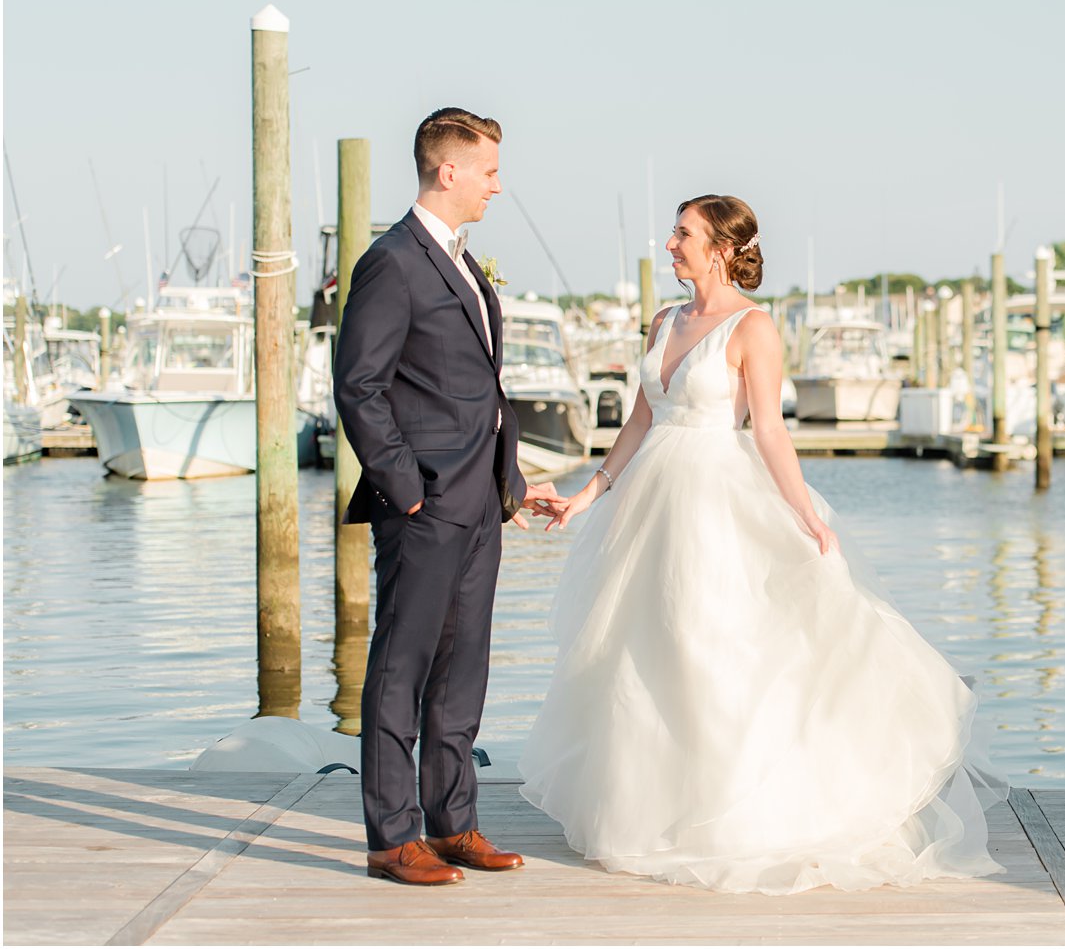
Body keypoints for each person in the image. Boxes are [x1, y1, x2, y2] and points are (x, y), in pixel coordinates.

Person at [517, 194, 1007, 895]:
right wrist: (586, 494)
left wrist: (805, 514)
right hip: (648, 503)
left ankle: (729, 815)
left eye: (681, 234)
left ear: (718, 247)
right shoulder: (663, 321)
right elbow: (639, 422)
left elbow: (770, 431)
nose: (669, 244)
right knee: (639, 649)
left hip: (714, 497)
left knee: (710, 645)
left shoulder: (753, 327)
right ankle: (649, 809)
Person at [334, 107, 565, 886]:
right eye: (490, 169)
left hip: (482, 501)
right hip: (426, 506)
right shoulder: (392, 261)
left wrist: (513, 481)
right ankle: (392, 836)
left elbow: (479, 393)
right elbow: (360, 387)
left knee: (464, 666)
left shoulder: (465, 262)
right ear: (449, 170)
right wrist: (406, 490)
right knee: (402, 665)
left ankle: (453, 822)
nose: (499, 184)